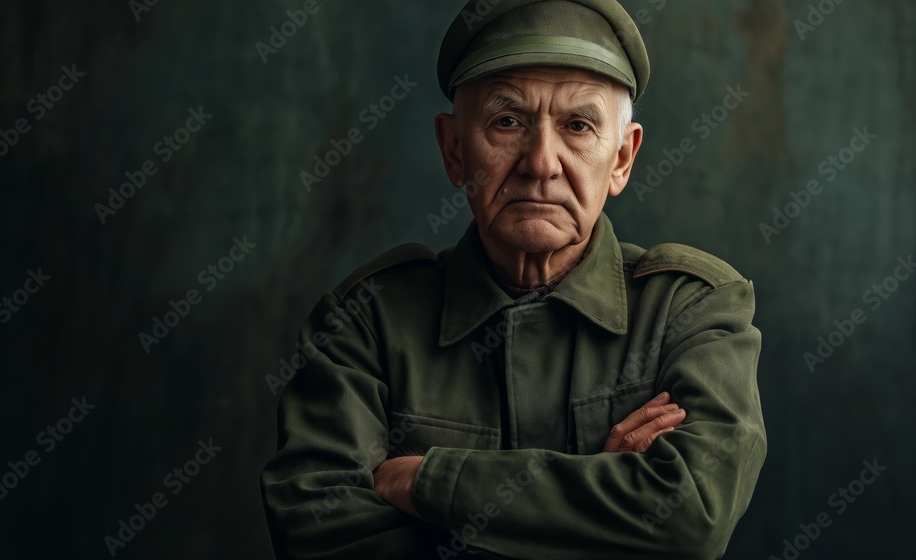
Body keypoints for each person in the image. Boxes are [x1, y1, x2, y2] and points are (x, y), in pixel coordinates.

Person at [261, 1, 766, 558]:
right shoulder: (366, 322)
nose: (541, 162)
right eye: (508, 121)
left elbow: (692, 516)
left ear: (621, 159)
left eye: (578, 125)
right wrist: (600, 512)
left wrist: (424, 482)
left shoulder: (690, 311)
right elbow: (318, 533)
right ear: (454, 150)